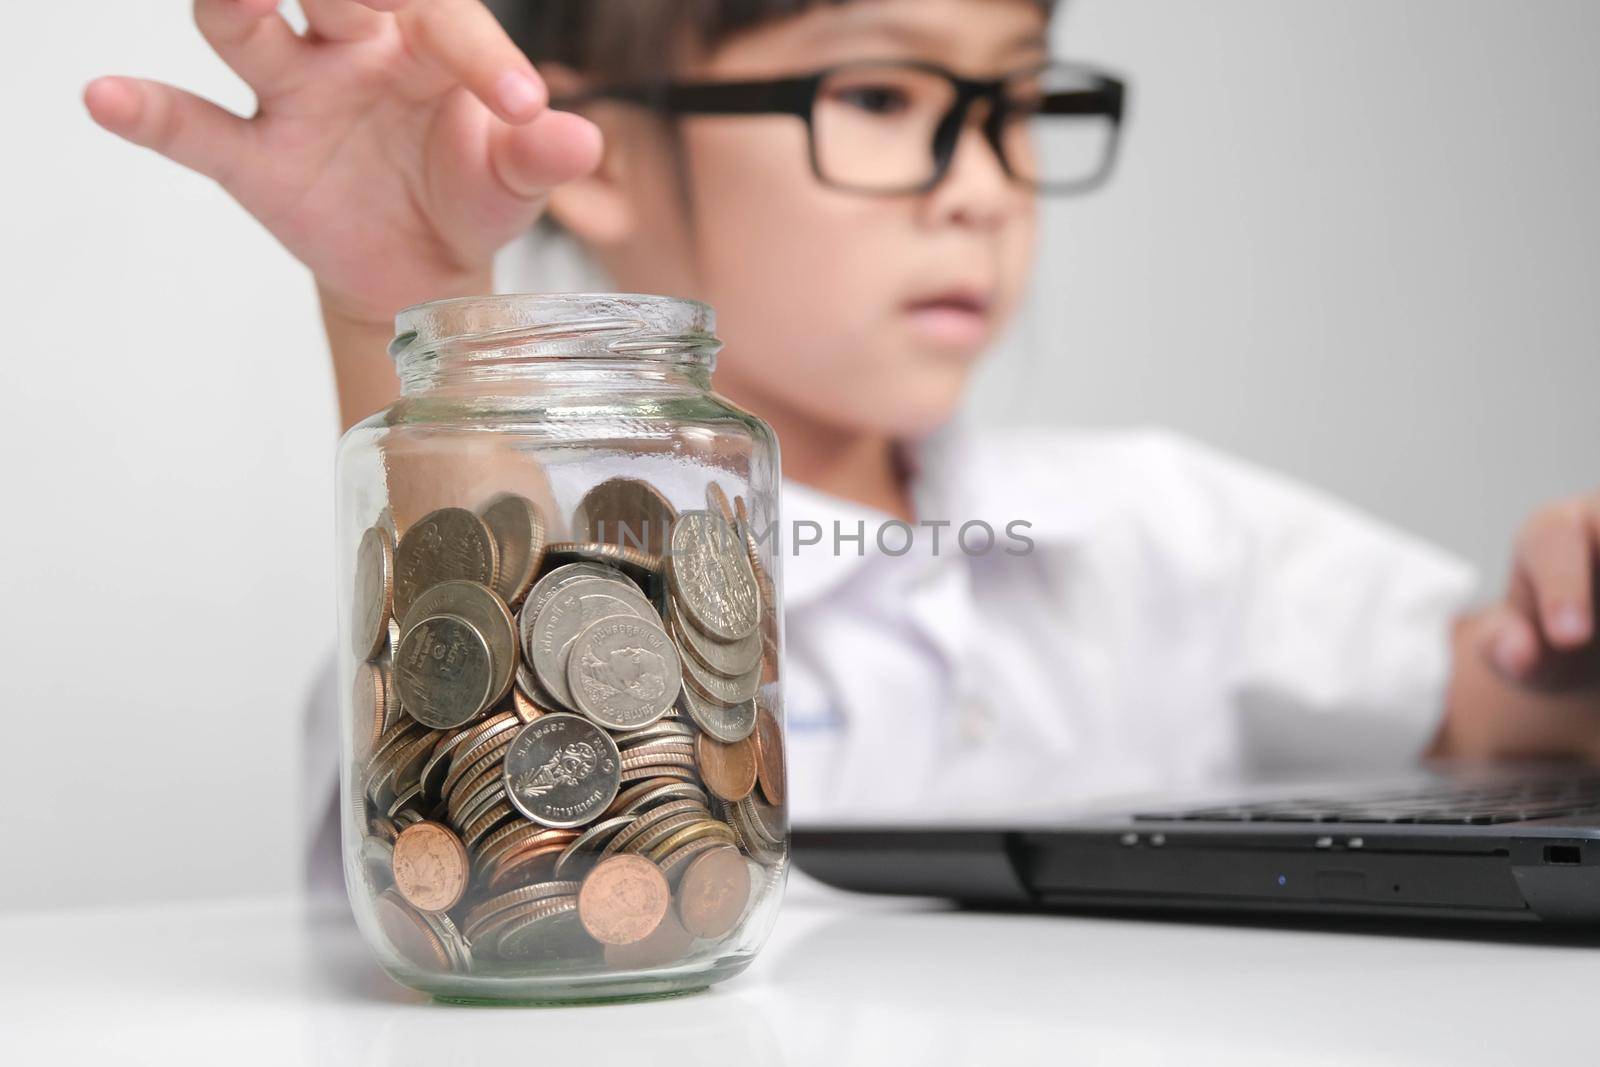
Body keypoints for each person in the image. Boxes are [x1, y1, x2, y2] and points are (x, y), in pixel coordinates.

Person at [85, 0, 1600, 875]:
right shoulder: (497, 582)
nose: (982, 183)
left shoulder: (1162, 526)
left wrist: (1573, 625)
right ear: (595, 150)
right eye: (881, 95)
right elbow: (492, 900)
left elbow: (1505, 718)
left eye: (1014, 104)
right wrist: (408, 315)